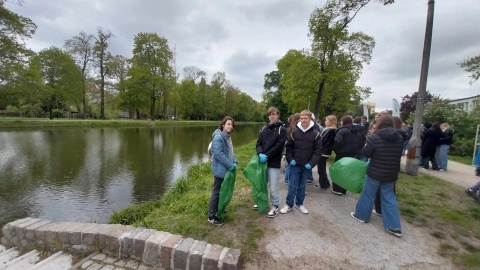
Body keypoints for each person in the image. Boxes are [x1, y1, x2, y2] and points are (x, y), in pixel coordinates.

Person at [351, 115, 404, 237]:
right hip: (391, 172)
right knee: (389, 198)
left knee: (368, 194)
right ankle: (394, 226)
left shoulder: (375, 137)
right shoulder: (399, 138)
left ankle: (362, 215)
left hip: (375, 171)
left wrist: (361, 148)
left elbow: (367, 153)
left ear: (379, 123)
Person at [280, 110, 322, 215]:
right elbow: (288, 148)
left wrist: (311, 164)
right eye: (301, 118)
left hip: (306, 166)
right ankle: (288, 205)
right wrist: (290, 159)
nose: (303, 120)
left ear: (310, 119)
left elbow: (318, 151)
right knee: (292, 186)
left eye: (305, 118)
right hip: (294, 165)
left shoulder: (316, 134)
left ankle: (300, 204)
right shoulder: (294, 132)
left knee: (302, 186)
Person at [254, 107, 287, 218]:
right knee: (262, 184)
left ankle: (275, 205)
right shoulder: (264, 129)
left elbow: (279, 146)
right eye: (270, 114)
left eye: (274, 114)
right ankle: (261, 202)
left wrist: (267, 155)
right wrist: (260, 154)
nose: (272, 116)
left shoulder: (282, 129)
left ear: (278, 115)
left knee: (273, 186)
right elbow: (258, 143)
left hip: (273, 162)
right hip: (262, 162)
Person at [373, 116, 406, 217]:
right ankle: (391, 220)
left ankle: (376, 210)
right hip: (392, 168)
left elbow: (371, 151)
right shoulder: (400, 137)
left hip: (378, 166)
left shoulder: (380, 135)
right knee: (389, 194)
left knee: (372, 192)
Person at [208, 116, 238, 226]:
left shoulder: (228, 137)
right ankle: (211, 216)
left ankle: (219, 208)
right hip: (220, 170)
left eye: (232, 125)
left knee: (223, 190)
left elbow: (231, 151)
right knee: (216, 192)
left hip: (227, 170)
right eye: (228, 124)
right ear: (223, 125)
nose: (230, 126)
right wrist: (230, 165)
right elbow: (218, 154)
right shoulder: (218, 137)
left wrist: (235, 161)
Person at [331, 115, 364, 196]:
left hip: (341, 154)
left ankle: (337, 189)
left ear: (343, 122)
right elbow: (361, 144)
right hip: (352, 155)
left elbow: (337, 142)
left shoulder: (342, 131)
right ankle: (343, 190)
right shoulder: (357, 133)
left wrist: (336, 150)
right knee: (347, 172)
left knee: (338, 171)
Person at [314, 115, 337, 190]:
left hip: (323, 151)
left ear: (331, 121)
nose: (325, 121)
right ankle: (325, 183)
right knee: (322, 167)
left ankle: (323, 184)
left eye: (327, 120)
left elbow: (322, 140)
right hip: (326, 151)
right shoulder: (331, 129)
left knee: (321, 168)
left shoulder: (329, 130)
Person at [283, 113, 300, 184]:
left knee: (288, 165)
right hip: (294, 150)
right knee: (291, 165)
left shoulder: (289, 129)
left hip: (288, 150)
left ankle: (287, 179)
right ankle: (289, 179)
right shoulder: (296, 130)